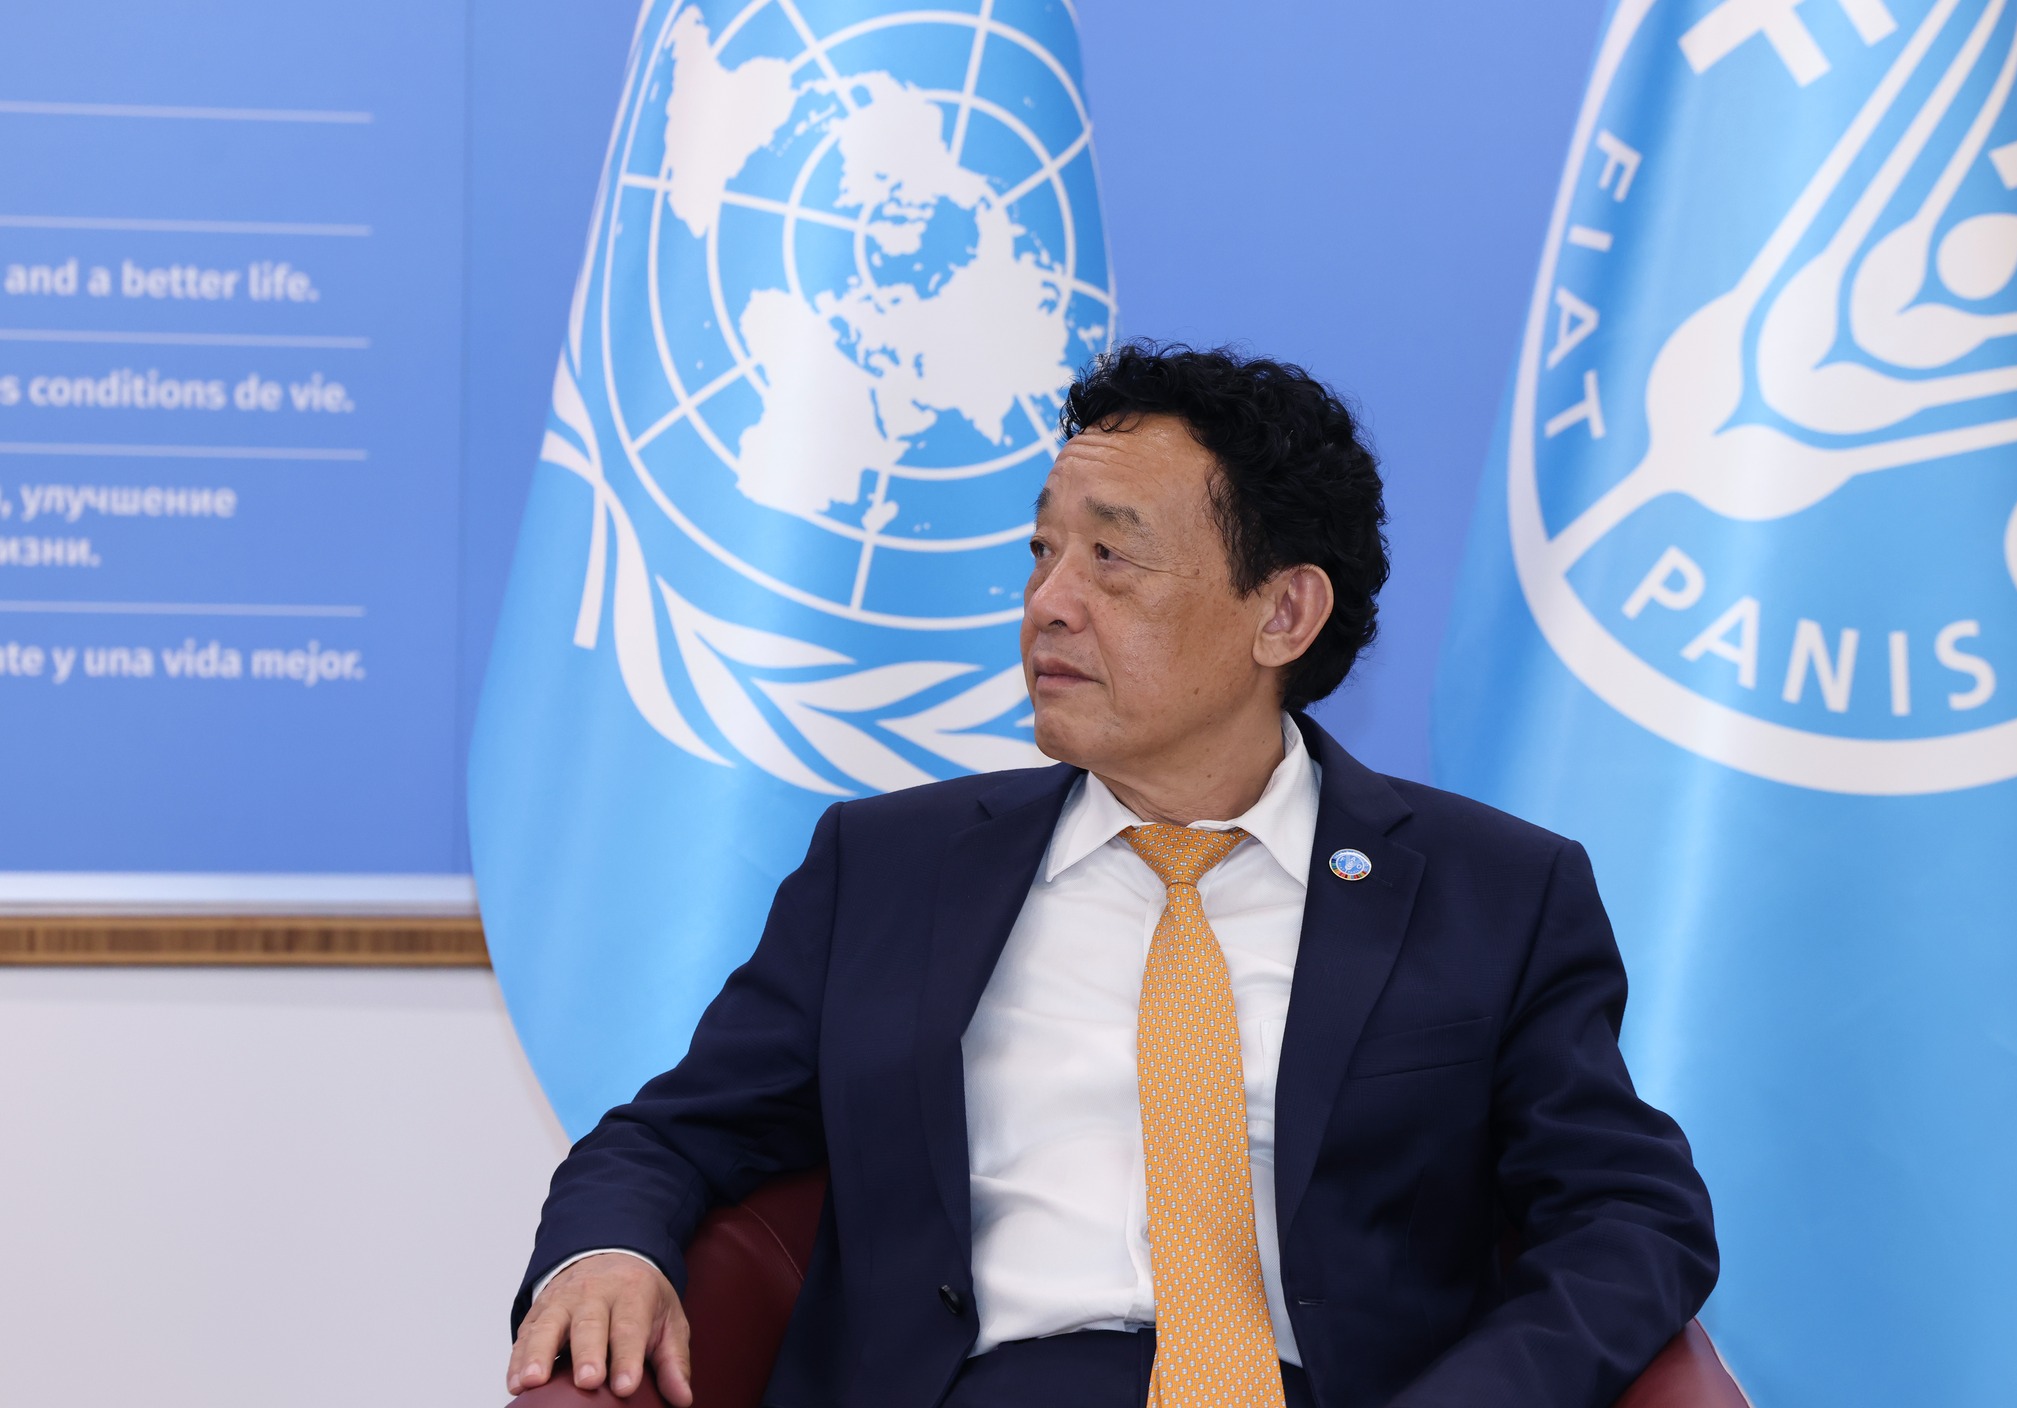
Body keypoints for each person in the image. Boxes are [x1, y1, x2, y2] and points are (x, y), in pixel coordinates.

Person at [505, 343, 1717, 1408]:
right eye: (1042, 553)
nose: (1048, 604)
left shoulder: (1493, 893)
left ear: (1283, 613)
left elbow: (1628, 1217)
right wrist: (608, 1251)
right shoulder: (886, 869)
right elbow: (671, 1135)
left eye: (1110, 559)